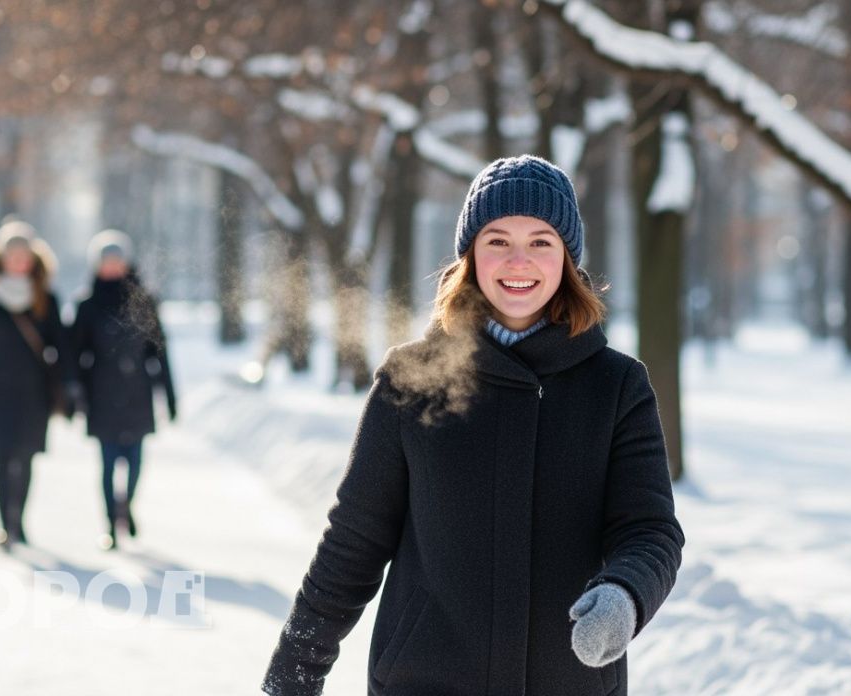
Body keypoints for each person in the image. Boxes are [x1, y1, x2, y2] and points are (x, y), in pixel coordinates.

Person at [262, 155, 684, 696]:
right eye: (497, 240)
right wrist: (294, 671)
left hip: (568, 683)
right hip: (423, 682)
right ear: (470, 254)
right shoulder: (410, 378)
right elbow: (355, 538)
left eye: (540, 241)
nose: (518, 260)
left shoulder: (616, 386)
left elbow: (650, 530)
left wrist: (625, 593)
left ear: (566, 257)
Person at [0, 220, 73, 549]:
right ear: (0, 258)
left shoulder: (46, 298)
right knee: (2, 458)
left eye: (24, 256)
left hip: (34, 392)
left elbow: (61, 347)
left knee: (26, 457)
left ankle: (19, 521)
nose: (19, 261)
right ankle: (5, 525)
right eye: (12, 256)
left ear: (34, 259)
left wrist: (70, 385)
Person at [70, 230, 176, 550]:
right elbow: (75, 354)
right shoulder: (87, 305)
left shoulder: (144, 302)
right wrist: (75, 391)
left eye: (118, 260)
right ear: (97, 265)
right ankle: (110, 526)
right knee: (107, 463)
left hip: (137, 394)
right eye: (106, 261)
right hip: (101, 394)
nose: (113, 266)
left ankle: (125, 507)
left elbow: (159, 352)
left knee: (134, 461)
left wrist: (169, 395)